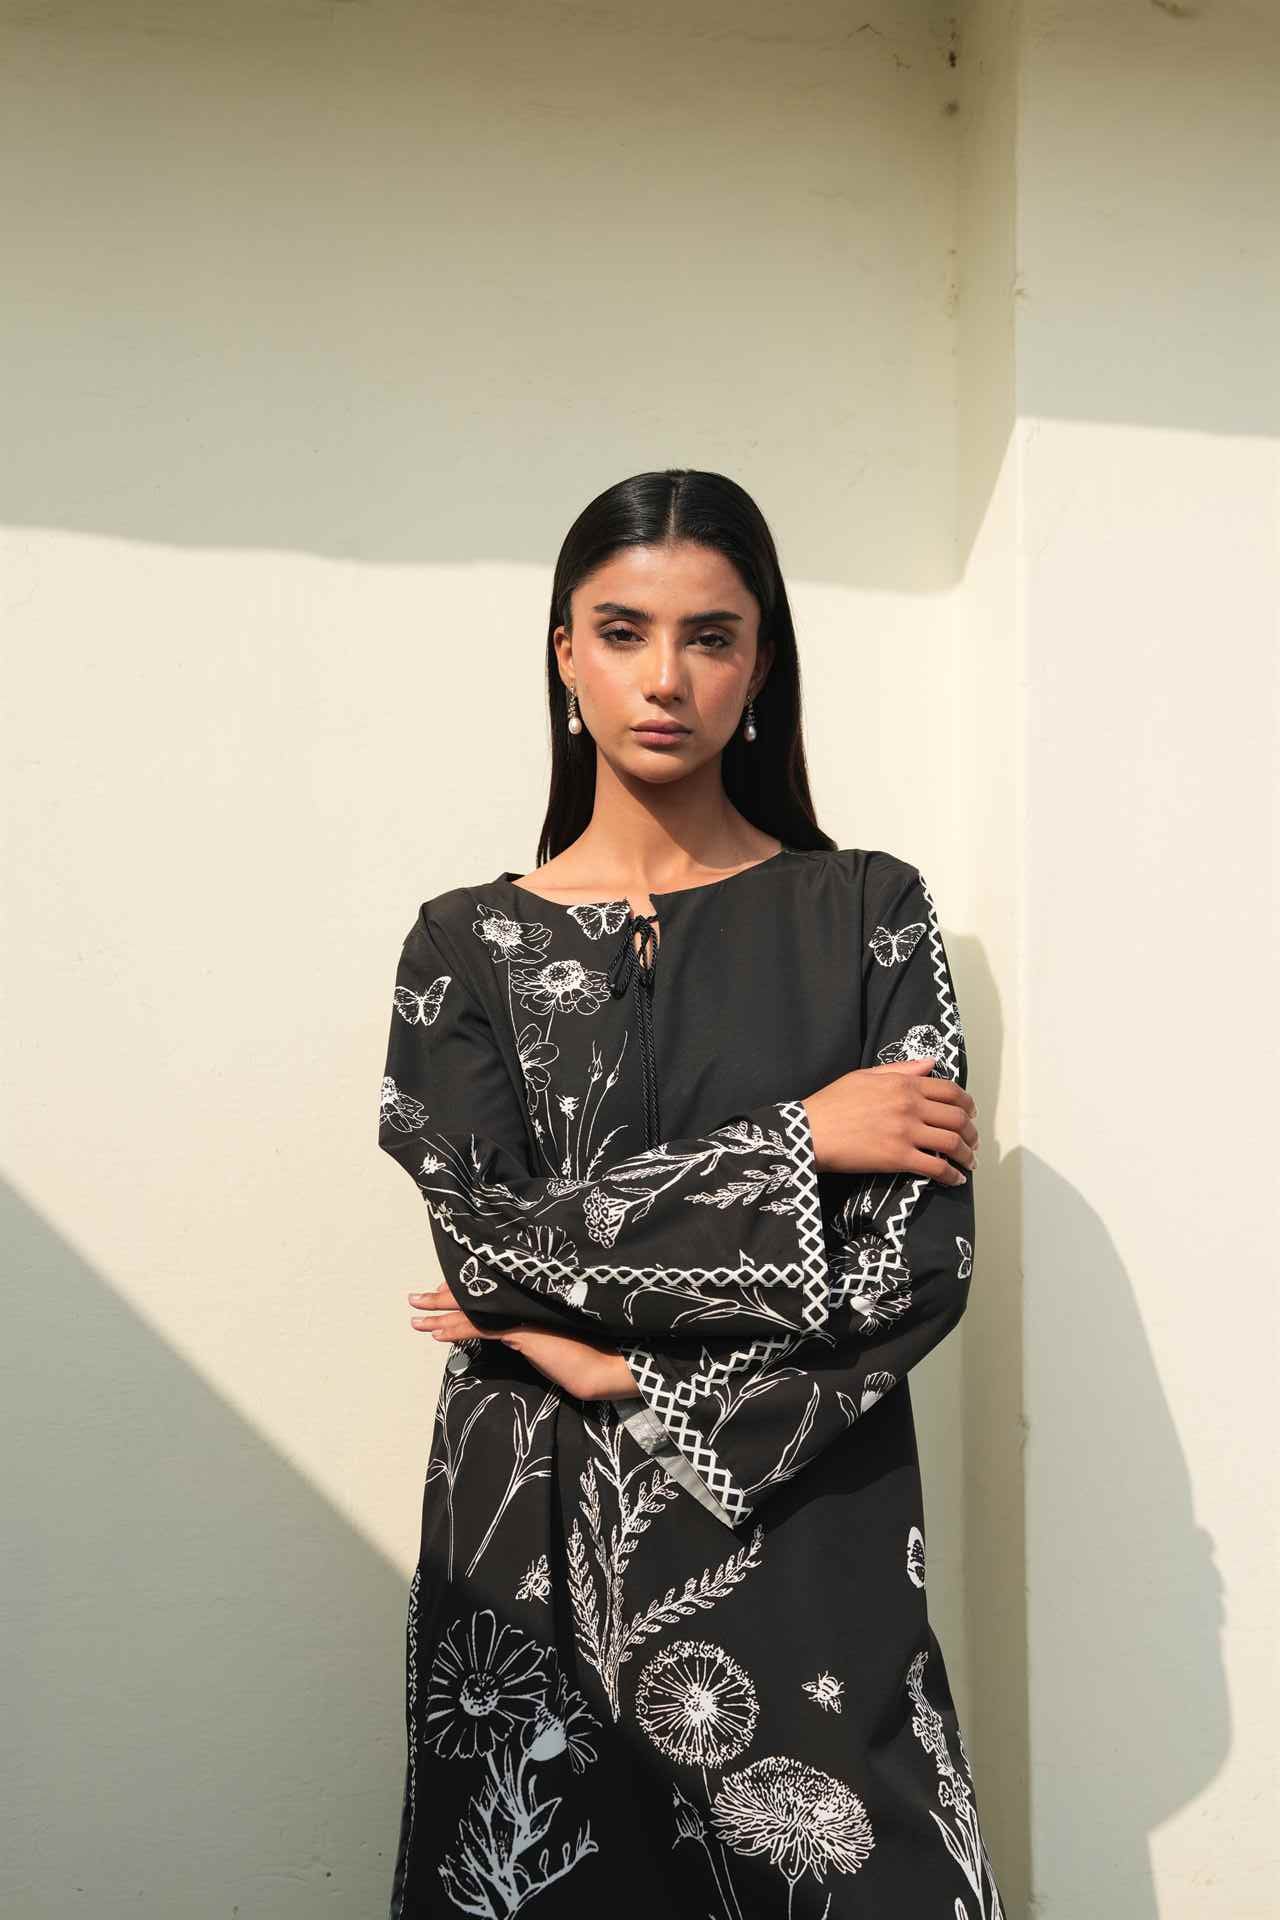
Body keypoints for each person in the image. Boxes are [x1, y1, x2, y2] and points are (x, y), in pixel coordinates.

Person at [376, 468, 1005, 1918]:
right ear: (566, 655)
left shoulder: (868, 915)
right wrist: (801, 1142)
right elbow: (486, 1238)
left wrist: (622, 1366)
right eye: (623, 632)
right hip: (532, 1530)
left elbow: (918, 1263)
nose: (666, 678)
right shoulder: (463, 949)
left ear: (762, 664)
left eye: (711, 636)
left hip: (802, 1517)